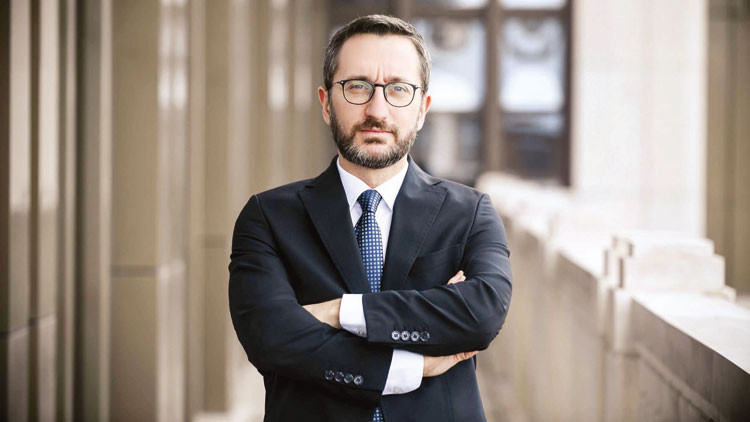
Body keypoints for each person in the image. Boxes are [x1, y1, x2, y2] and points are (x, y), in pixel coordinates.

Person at [228, 14, 512, 421]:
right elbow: (269, 335)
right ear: (326, 104)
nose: (377, 110)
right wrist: (411, 366)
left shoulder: (470, 213)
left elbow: (482, 313)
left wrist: (341, 312)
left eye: (398, 89)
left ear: (422, 109)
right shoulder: (268, 218)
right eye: (358, 86)